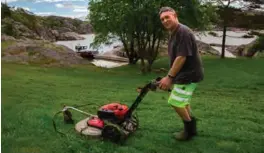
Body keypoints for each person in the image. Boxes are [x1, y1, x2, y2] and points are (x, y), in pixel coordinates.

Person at [158, 6, 204, 141]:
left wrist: (169, 77)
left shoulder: (183, 32)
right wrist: (170, 76)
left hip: (189, 74)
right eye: (162, 19)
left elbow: (181, 57)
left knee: (175, 102)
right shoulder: (174, 32)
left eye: (167, 17)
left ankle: (189, 131)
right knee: (184, 102)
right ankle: (192, 127)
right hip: (185, 73)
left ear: (175, 15)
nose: (165, 20)